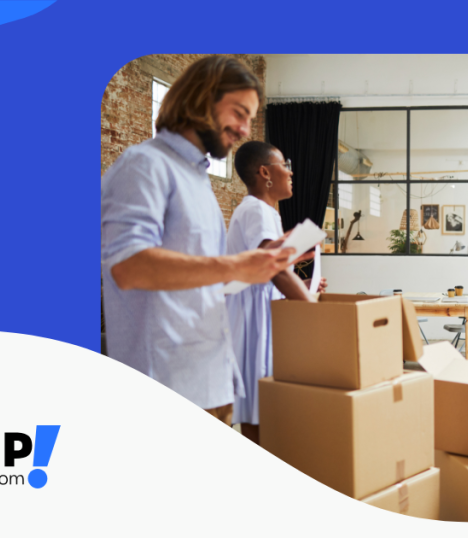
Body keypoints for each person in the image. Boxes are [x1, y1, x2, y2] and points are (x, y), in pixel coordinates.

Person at [101, 56, 313, 426]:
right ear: (201, 99)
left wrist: (265, 267)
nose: (246, 130)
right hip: (166, 384)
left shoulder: (197, 181)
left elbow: (208, 283)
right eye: (239, 113)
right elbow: (128, 267)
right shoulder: (145, 165)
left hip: (211, 378)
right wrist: (240, 265)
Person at [226, 141, 328, 444]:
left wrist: (307, 287)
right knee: (257, 406)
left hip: (256, 314)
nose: (291, 172)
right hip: (251, 320)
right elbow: (274, 267)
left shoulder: (263, 211)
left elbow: (269, 269)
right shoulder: (257, 210)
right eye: (285, 164)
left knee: (260, 405)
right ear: (265, 172)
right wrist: (309, 304)